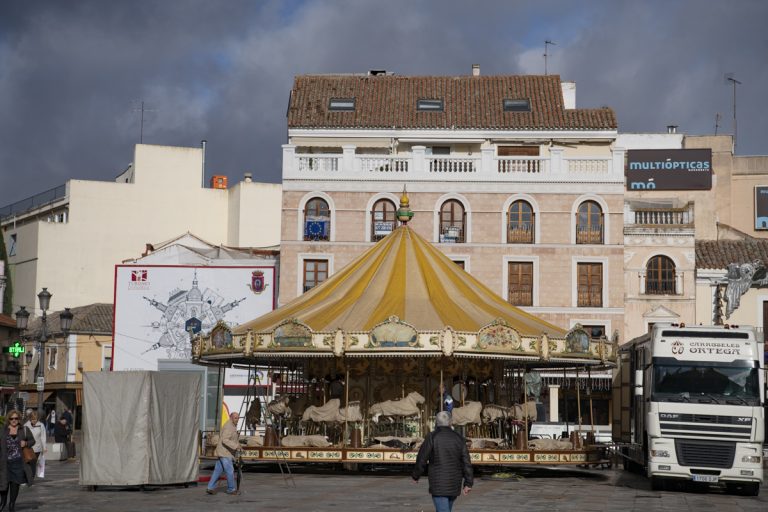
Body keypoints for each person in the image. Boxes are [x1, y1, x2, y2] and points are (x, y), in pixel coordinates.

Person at [412, 411, 473, 512]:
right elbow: (466, 462)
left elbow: (422, 458)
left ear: (436, 422)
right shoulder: (459, 438)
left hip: (438, 483)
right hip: (454, 483)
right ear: (450, 422)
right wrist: (468, 483)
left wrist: (416, 475)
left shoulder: (432, 437)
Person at [1, 410, 36, 512]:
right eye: (12, 418)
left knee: (15, 485)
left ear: (19, 419)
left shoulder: (24, 429)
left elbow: (32, 441)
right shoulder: (3, 430)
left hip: (18, 463)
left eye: (16, 418)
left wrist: (25, 443)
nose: (14, 420)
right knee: (3, 484)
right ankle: (2, 503)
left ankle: (12, 505)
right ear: (9, 419)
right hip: (5, 463)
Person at [206, 412, 240, 496]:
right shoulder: (229, 427)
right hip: (225, 453)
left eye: (238, 418)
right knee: (230, 471)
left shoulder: (232, 425)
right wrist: (236, 446)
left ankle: (210, 487)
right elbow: (225, 440)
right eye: (235, 418)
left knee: (217, 471)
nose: (237, 419)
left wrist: (238, 445)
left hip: (223, 452)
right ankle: (231, 489)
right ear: (231, 418)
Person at [23, 412, 46, 478]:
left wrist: (44, 447)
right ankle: (27, 477)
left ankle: (31, 478)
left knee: (33, 463)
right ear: (30, 419)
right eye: (33, 419)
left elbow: (43, 437)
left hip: (37, 448)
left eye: (35, 419)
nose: (34, 421)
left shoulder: (41, 425)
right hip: (28, 447)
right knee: (27, 463)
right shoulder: (26, 426)